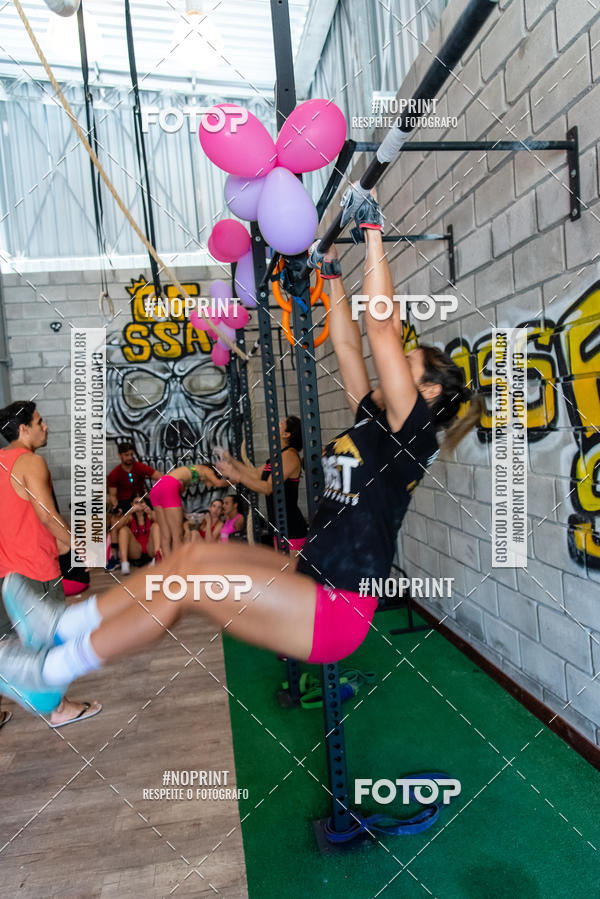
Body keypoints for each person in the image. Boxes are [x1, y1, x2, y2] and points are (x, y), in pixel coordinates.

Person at [0, 187, 483, 716]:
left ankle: (50, 670)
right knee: (189, 557)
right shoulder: (376, 419)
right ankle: (62, 624)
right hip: (311, 576)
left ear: (428, 392)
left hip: (336, 609)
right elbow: (348, 344)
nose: (396, 363)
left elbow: (382, 328)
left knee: (191, 583)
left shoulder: (412, 434)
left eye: (408, 365)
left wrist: (372, 234)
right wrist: (334, 275)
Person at [0, 401, 102, 727]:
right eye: (40, 421)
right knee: (50, 643)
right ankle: (59, 710)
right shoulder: (31, 461)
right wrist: (76, 544)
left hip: (5, 574)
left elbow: (21, 515)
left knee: (6, 648)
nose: (46, 427)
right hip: (34, 572)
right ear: (24, 429)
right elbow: (46, 513)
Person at [221, 416, 308, 550]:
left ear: (286, 434)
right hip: (278, 525)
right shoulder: (278, 456)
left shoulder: (289, 456)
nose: (277, 423)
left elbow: (268, 487)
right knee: (281, 570)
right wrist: (231, 460)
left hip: (291, 528)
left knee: (290, 570)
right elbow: (256, 474)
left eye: (281, 424)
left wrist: (237, 476)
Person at [149, 464, 228, 557]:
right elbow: (218, 483)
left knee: (165, 535)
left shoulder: (193, 470)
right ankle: (177, 568)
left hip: (157, 487)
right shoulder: (208, 470)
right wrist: (236, 480)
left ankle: (168, 567)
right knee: (177, 535)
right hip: (168, 486)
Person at [106, 442, 162, 513]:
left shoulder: (140, 467)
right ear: (120, 455)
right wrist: (117, 508)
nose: (130, 457)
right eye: (126, 455)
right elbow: (113, 496)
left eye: (131, 454)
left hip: (141, 499)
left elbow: (160, 477)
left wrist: (155, 493)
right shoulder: (114, 474)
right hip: (124, 503)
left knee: (157, 510)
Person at [118, 495, 160, 575]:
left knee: (156, 525)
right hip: (136, 550)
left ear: (145, 503)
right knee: (123, 530)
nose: (139, 505)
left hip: (150, 548)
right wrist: (130, 511)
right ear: (132, 504)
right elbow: (117, 527)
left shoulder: (149, 514)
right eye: (136, 503)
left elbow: (161, 524)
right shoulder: (130, 517)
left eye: (141, 502)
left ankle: (157, 557)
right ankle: (124, 563)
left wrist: (150, 512)